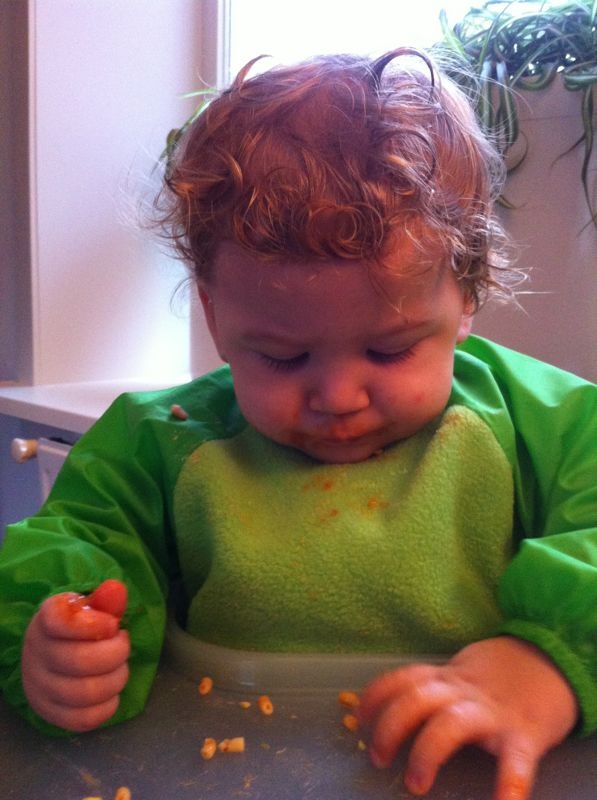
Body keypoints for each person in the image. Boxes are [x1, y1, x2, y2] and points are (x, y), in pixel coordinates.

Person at [1, 48, 595, 800]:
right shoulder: (156, 443)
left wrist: (551, 659)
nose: (338, 397)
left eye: (389, 349)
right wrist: (58, 639)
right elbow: (77, 542)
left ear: (466, 294)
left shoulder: (548, 425)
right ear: (216, 315)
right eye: (282, 357)